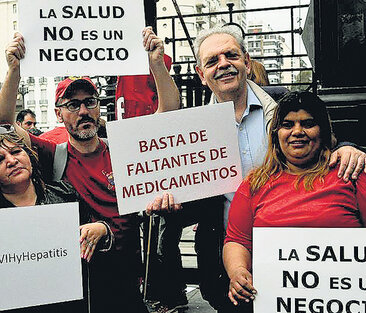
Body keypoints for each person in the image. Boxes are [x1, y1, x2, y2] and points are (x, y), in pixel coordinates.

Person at [148, 24, 366, 312]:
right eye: (212, 61)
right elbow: (194, 194)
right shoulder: (193, 130)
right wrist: (170, 205)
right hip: (230, 259)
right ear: (201, 75)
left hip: (317, 267)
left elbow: (320, 138)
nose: (223, 64)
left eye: (231, 55)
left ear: (247, 63)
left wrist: (349, 147)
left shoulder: (283, 103)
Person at [0, 27, 180, 313]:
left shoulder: (124, 148)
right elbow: (2, 124)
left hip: (126, 282)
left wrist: (156, 65)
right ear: (58, 114)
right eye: (73, 104)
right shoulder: (50, 154)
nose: (83, 111)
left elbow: (168, 113)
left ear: (98, 106)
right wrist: (14, 70)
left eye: (90, 102)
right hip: (77, 286)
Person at [223, 91, 366, 311]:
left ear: (323, 131)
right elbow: (237, 240)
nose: (297, 132)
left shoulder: (350, 174)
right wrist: (238, 271)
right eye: (288, 124)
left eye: (308, 123)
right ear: (276, 133)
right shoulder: (254, 184)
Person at [0, 125, 112, 312]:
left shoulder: (65, 195)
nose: (12, 161)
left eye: (16, 152)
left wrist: (102, 230)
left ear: (29, 156)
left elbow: (93, 258)